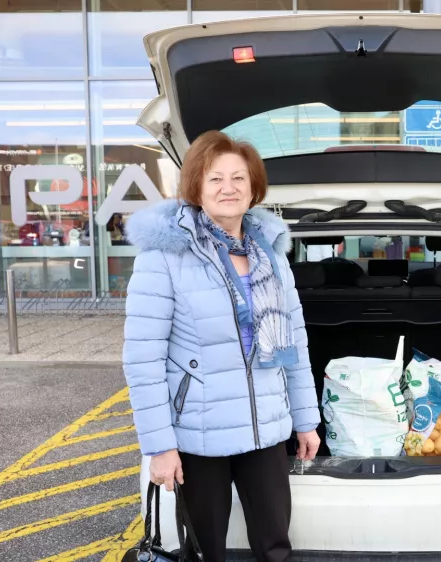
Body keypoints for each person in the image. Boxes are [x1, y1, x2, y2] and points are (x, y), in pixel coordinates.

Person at [122, 131, 320, 562]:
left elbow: (295, 343)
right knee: (206, 551)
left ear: (253, 188)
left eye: (238, 178)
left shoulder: (271, 254)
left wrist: (306, 420)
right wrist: (160, 446)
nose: (228, 188)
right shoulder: (163, 258)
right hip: (199, 433)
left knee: (275, 547)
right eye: (215, 179)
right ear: (196, 187)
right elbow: (143, 359)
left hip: (266, 428)